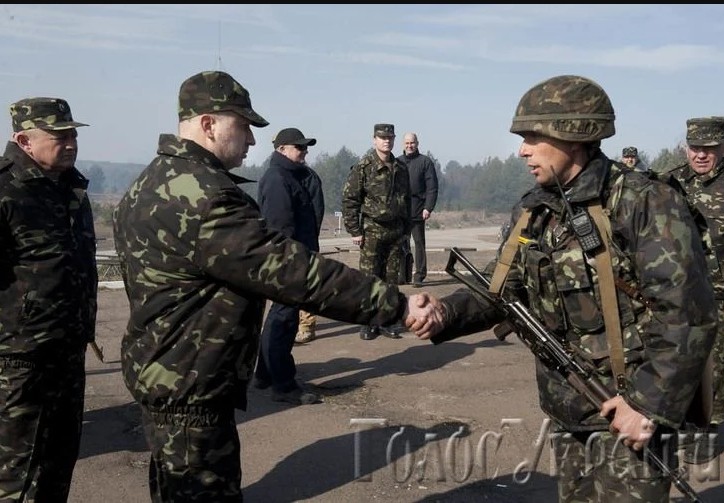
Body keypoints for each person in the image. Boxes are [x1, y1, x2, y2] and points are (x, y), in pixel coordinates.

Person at [112, 70, 429, 502]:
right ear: (208, 124)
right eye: (243, 127)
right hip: (191, 382)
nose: (251, 141)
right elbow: (290, 270)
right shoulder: (204, 197)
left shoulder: (149, 182)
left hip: (166, 370)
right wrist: (396, 305)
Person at [406, 75, 718, 502]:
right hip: (569, 408)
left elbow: (687, 313)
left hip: (626, 409)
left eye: (533, 137)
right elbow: (504, 288)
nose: (522, 150)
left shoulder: (643, 202)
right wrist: (445, 313)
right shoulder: (533, 210)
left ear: (574, 136)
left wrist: (647, 407)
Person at [0, 97, 97, 500]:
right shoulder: (6, 191)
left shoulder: (70, 189)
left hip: (67, 351)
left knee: (58, 461)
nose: (71, 142)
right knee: (17, 471)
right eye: (59, 135)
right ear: (23, 139)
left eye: (73, 134)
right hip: (19, 360)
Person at [661, 116, 724, 459]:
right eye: (695, 148)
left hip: (721, 294)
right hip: (676, 293)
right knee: (676, 359)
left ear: (723, 148)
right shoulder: (672, 181)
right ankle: (682, 424)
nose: (700, 155)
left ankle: (708, 430)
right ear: (686, 147)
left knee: (715, 364)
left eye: (708, 149)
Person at [254, 127, 323, 404]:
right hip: (288, 260)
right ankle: (284, 385)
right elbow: (280, 227)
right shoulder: (277, 179)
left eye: (306, 147)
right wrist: (292, 261)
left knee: (279, 318)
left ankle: (264, 374)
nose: (304, 152)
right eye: (299, 147)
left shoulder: (291, 176)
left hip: (296, 256)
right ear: (282, 149)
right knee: (284, 321)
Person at [342, 123, 411, 340]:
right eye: (382, 138)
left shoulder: (401, 168)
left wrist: (406, 230)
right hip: (372, 231)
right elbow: (350, 200)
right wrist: (354, 230)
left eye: (390, 138)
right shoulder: (363, 167)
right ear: (374, 140)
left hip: (395, 231)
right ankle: (368, 322)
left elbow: (406, 200)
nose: (386, 141)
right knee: (370, 279)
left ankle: (387, 320)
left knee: (391, 280)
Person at [398, 132, 439, 288]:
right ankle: (403, 274)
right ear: (403, 144)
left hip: (418, 210)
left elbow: (432, 188)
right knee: (401, 244)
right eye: (407, 143)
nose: (410, 146)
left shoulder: (425, 162)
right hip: (401, 211)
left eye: (412, 143)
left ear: (417, 143)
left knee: (419, 244)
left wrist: (428, 207)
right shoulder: (397, 162)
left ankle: (419, 276)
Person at [296, 151, 325, 345]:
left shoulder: (309, 177)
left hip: (305, 239)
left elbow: (317, 209)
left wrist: (310, 234)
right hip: (283, 241)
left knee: (307, 284)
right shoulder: (276, 176)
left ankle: (306, 326)